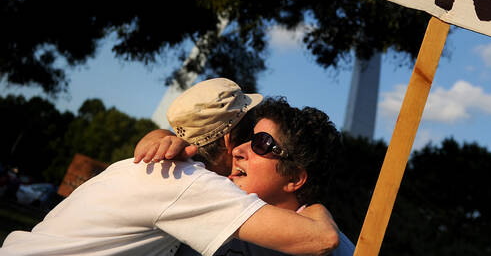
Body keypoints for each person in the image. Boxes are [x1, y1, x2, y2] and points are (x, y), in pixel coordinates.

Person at [1, 78, 339, 256]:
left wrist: (161, 134)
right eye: (248, 135)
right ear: (226, 142)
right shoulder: (192, 184)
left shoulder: (158, 171)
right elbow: (322, 238)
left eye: (261, 142)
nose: (242, 150)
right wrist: (314, 205)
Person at [136, 97, 356, 256]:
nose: (237, 150)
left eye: (261, 144)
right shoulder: (208, 196)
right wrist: (159, 137)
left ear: (294, 179)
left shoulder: (338, 251)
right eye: (246, 139)